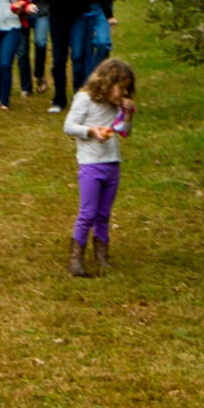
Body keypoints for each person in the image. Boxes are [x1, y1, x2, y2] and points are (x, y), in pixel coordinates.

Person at [62, 57, 137, 278]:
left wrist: (128, 115)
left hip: (112, 162)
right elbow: (68, 126)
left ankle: (102, 255)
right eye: (120, 89)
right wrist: (91, 131)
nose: (123, 95)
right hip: (91, 164)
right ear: (106, 82)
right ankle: (75, 258)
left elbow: (123, 132)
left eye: (127, 90)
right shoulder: (85, 99)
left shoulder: (116, 107)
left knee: (104, 213)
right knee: (88, 213)